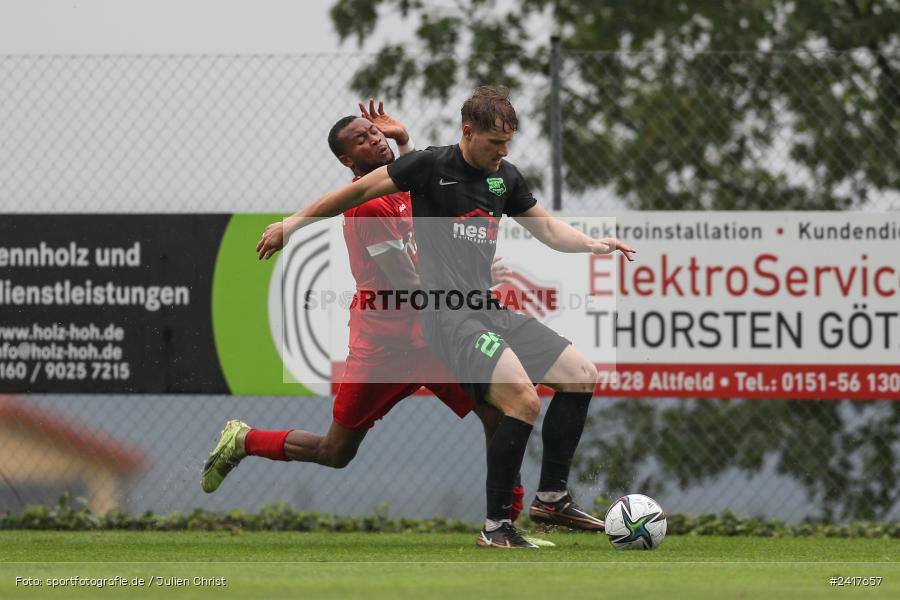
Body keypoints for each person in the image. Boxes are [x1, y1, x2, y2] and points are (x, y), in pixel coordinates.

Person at [256, 87, 637, 549]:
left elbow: (550, 230)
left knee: (580, 374)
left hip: (486, 310)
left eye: (509, 142)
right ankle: (497, 528)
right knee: (521, 401)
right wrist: (290, 225)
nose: (504, 151)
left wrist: (595, 244)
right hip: (447, 319)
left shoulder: (505, 178)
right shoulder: (428, 166)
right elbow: (352, 193)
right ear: (468, 132)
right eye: (496, 142)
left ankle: (551, 498)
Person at [202, 100, 529, 525]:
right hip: (386, 346)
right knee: (335, 452)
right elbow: (407, 284)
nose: (374, 140)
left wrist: (405, 138)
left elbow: (426, 174)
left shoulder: (403, 187)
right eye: (362, 139)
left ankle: (505, 521)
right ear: (346, 159)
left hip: (432, 336)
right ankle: (244, 440)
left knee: (499, 410)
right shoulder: (369, 207)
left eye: (373, 132)